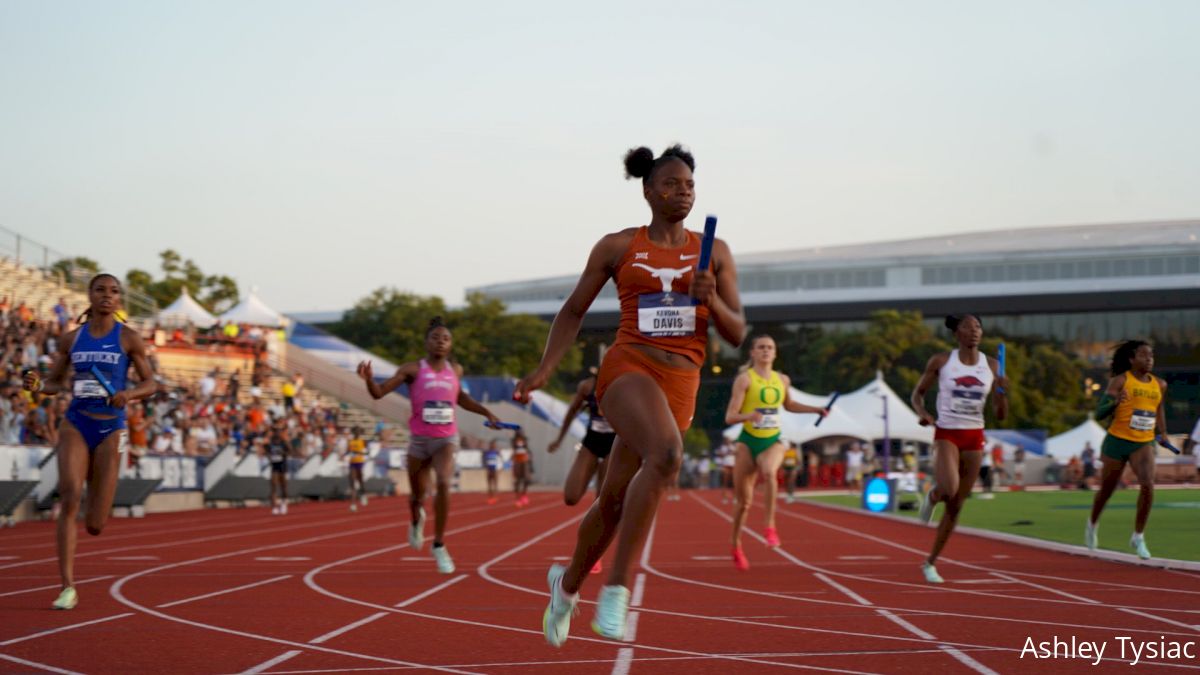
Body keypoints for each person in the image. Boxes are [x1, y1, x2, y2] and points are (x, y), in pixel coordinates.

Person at [515, 144, 745, 646]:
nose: (681, 192)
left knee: (615, 500)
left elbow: (736, 333)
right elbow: (573, 310)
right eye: (670, 184)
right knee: (665, 456)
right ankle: (618, 588)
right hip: (628, 368)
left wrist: (712, 302)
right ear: (648, 191)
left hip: (681, 381)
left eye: (688, 185)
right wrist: (543, 370)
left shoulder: (716, 251)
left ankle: (568, 586)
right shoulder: (619, 246)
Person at [23, 274, 157, 609]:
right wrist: (38, 387)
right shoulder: (72, 339)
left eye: (114, 292)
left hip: (113, 429)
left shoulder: (128, 338)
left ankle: (95, 509)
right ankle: (67, 586)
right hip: (76, 423)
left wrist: (129, 394)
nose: (107, 297)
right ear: (90, 295)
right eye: (101, 290)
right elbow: (55, 383)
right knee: (69, 496)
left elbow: (151, 383)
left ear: (119, 299)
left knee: (96, 523)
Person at [357, 316, 499, 574]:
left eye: (446, 339)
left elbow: (462, 399)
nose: (441, 342)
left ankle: (439, 544)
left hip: (446, 439)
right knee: (416, 497)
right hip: (419, 441)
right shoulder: (412, 370)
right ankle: (415, 520)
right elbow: (378, 393)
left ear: (451, 345)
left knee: (444, 483)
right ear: (426, 342)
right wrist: (368, 379)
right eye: (436, 337)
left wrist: (486, 413)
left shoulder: (455, 371)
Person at [911, 314, 1008, 584]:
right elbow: (917, 394)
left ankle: (930, 563)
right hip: (947, 434)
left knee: (955, 507)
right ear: (957, 333)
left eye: (978, 326)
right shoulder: (942, 362)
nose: (974, 331)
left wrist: (1001, 392)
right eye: (968, 326)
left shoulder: (992, 365)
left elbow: (1000, 415)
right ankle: (933, 495)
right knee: (949, 488)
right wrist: (923, 413)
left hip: (974, 436)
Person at [724, 334, 828, 570]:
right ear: (752, 353)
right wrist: (748, 416)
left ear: (775, 353)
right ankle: (735, 545)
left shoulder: (782, 380)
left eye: (770, 347)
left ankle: (770, 527)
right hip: (747, 442)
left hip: (772, 439)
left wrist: (815, 409)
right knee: (744, 503)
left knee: (770, 473)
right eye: (761, 347)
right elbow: (730, 416)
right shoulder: (744, 380)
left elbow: (788, 405)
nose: (766, 351)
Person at [1086, 340, 1168, 560]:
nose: (1149, 359)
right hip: (1117, 440)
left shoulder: (1160, 384)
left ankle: (1138, 536)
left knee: (1148, 486)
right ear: (1132, 359)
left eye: (1151, 355)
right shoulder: (1120, 381)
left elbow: (1159, 410)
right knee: (1107, 489)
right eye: (1143, 355)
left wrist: (1163, 433)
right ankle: (1092, 524)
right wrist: (1115, 403)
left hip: (1143, 442)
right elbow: (1099, 413)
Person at [547, 371, 614, 506]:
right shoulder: (587, 386)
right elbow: (572, 411)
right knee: (571, 497)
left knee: (602, 500)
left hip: (614, 441)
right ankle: (593, 468)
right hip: (592, 439)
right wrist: (559, 439)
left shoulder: (625, 384)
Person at [265, 421, 290, 515]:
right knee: (274, 485)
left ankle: (284, 503)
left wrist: (282, 453)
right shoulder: (270, 441)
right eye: (275, 430)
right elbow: (267, 451)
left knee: (283, 486)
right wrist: (269, 456)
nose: (277, 432)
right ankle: (275, 507)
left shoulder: (283, 442)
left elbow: (289, 451)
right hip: (274, 465)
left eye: (278, 431)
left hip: (282, 465)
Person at [344, 426, 368, 512]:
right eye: (356, 432)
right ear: (353, 433)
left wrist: (359, 452)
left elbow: (367, 452)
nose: (357, 433)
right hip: (352, 463)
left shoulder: (362, 441)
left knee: (360, 481)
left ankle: (363, 494)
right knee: (352, 483)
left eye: (359, 432)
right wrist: (346, 454)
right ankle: (353, 504)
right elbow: (347, 451)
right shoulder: (350, 441)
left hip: (360, 463)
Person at [483, 439, 502, 504]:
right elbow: (485, 461)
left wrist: (499, 469)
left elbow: (500, 461)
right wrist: (486, 468)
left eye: (494, 444)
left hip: (495, 470)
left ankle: (495, 497)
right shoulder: (487, 452)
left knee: (495, 484)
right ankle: (490, 497)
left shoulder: (497, 452)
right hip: (489, 469)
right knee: (489, 484)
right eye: (491, 444)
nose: (493, 445)